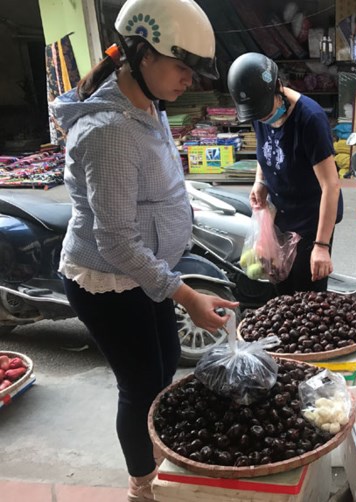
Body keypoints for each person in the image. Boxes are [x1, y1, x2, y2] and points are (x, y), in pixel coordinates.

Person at [50, 1, 238, 500]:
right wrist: (187, 295)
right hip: (108, 280)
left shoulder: (146, 104)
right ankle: (142, 485)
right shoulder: (109, 132)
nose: (188, 81)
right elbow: (115, 241)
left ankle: (157, 454)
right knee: (139, 386)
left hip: (146, 271)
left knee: (165, 363)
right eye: (181, 67)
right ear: (141, 54)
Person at [227, 53, 343, 295]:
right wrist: (261, 181)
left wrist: (321, 246)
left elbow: (331, 186)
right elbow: (265, 151)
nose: (263, 119)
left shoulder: (310, 119)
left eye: (264, 112)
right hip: (280, 216)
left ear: (278, 87)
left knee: (307, 300)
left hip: (312, 221)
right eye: (257, 115)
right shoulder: (258, 112)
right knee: (282, 292)